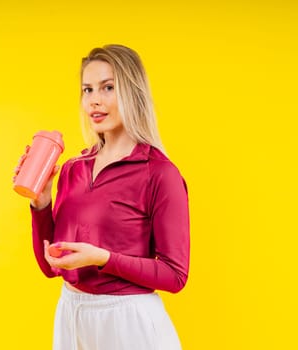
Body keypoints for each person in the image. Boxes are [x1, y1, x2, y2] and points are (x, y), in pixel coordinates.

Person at [14, 44, 190, 350]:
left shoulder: (160, 174)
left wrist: (104, 259)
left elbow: (175, 276)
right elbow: (51, 267)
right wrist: (40, 204)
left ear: (133, 92)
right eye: (87, 89)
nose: (94, 100)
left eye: (108, 87)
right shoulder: (72, 169)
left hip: (129, 324)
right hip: (72, 315)